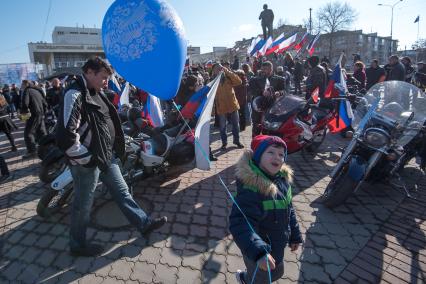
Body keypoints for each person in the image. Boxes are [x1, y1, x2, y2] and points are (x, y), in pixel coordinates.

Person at [56, 57, 167, 256]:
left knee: (123, 192)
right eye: (104, 77)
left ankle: (144, 224)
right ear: (89, 72)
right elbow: (66, 136)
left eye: (108, 78)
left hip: (106, 156)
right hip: (88, 162)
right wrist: (87, 159)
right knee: (83, 205)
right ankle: (77, 245)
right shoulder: (75, 94)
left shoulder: (95, 92)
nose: (106, 81)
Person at [230, 135, 303, 283]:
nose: (277, 157)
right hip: (258, 250)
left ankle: (247, 277)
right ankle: (245, 278)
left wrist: (295, 234)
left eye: (281, 154)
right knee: (262, 279)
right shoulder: (250, 189)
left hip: (277, 244)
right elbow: (241, 223)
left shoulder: (283, 182)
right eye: (271, 152)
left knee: (277, 272)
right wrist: (259, 252)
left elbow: (289, 210)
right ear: (258, 156)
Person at [249, 61, 285, 137]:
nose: (263, 70)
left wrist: (279, 92)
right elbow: (251, 91)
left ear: (271, 69)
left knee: (270, 128)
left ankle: (269, 144)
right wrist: (262, 92)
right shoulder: (255, 79)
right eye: (262, 69)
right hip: (259, 106)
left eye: (266, 69)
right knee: (256, 127)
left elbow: (284, 91)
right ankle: (255, 145)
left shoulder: (280, 79)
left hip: (273, 106)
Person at [212, 63, 244, 149]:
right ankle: (224, 142)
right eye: (217, 68)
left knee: (236, 125)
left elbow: (239, 81)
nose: (219, 69)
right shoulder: (212, 80)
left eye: (220, 68)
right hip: (221, 106)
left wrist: (227, 71)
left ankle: (236, 141)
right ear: (213, 70)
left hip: (232, 104)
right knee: (222, 126)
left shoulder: (228, 76)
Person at [20, 80, 48, 159]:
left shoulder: (27, 90)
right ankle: (47, 149)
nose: (21, 86)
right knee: (41, 133)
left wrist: (23, 114)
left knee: (28, 133)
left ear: (26, 84)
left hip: (33, 114)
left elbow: (25, 103)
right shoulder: (37, 90)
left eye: (22, 85)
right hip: (41, 114)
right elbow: (45, 103)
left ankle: (32, 151)